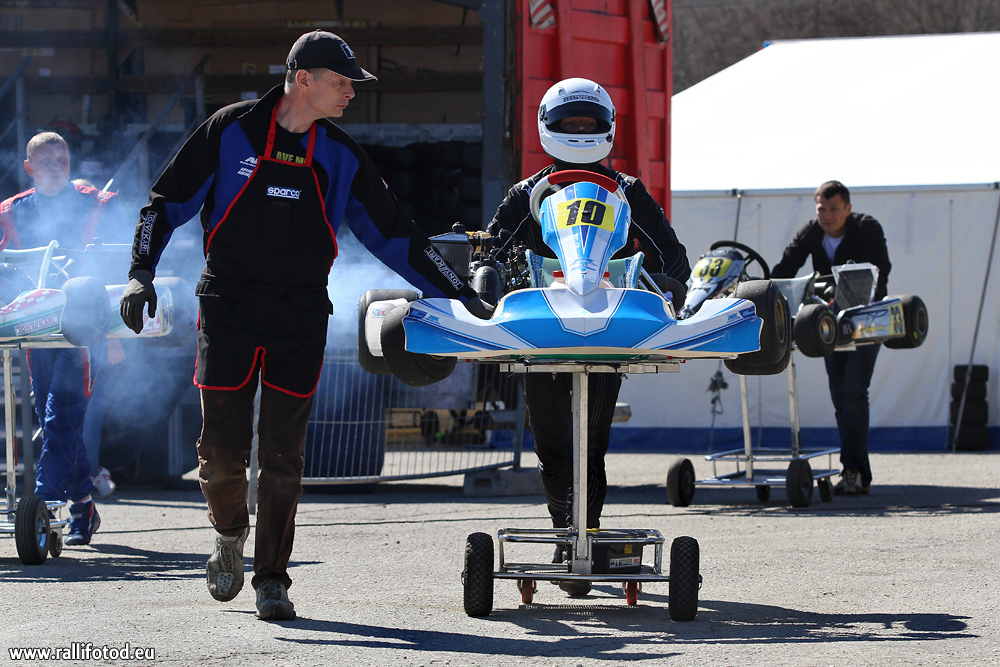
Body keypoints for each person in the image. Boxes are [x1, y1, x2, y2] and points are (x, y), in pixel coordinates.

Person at [118, 30, 490, 621]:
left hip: (301, 315)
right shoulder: (231, 130)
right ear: (303, 79)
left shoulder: (340, 153)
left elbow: (396, 234)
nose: (351, 93)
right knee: (220, 455)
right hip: (227, 308)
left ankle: (272, 579)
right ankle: (229, 532)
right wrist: (141, 272)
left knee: (283, 458)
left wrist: (461, 292)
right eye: (342, 82)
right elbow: (163, 204)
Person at [487, 78, 691, 596]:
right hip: (541, 334)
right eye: (570, 123)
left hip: (606, 329)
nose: (580, 131)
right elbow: (487, 259)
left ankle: (584, 535)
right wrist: (492, 284)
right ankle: (567, 531)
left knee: (590, 442)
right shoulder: (526, 195)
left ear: (606, 128)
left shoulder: (628, 192)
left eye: (588, 123)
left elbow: (674, 261)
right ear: (549, 127)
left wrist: (665, 291)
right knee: (553, 444)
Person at [0, 132, 124, 545]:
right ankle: (83, 505)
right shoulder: (11, 211)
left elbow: (119, 266)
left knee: (60, 415)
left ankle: (46, 503)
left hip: (86, 328)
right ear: (29, 167)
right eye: (46, 160)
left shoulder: (97, 202)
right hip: (35, 329)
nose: (55, 166)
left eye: (62, 159)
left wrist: (113, 330)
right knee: (52, 417)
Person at [771, 180, 891, 495]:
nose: (827, 216)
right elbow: (784, 271)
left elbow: (880, 272)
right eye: (821, 209)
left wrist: (852, 300)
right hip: (828, 325)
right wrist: (761, 294)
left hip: (866, 320)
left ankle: (852, 470)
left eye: (834, 209)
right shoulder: (811, 232)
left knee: (853, 390)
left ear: (848, 209)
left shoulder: (867, 228)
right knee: (840, 395)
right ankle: (857, 471)